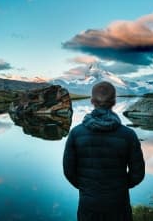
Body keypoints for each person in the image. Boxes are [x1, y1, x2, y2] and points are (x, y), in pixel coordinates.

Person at [63, 81, 145, 221]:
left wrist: (86, 187)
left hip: (88, 204)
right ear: (114, 101)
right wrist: (121, 186)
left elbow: (69, 171)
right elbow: (138, 173)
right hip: (119, 204)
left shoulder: (76, 133)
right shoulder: (128, 134)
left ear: (92, 101)